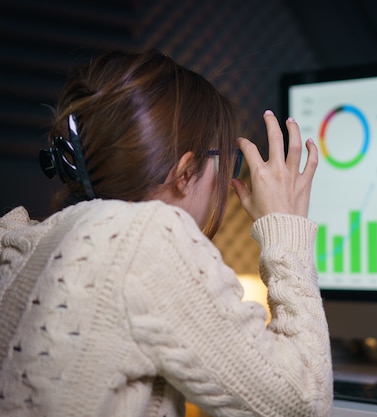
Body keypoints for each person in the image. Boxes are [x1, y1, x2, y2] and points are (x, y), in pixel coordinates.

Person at [0, 50, 332, 416]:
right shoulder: (144, 238)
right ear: (186, 171)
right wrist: (286, 225)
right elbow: (304, 400)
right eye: (223, 161)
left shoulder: (19, 241)